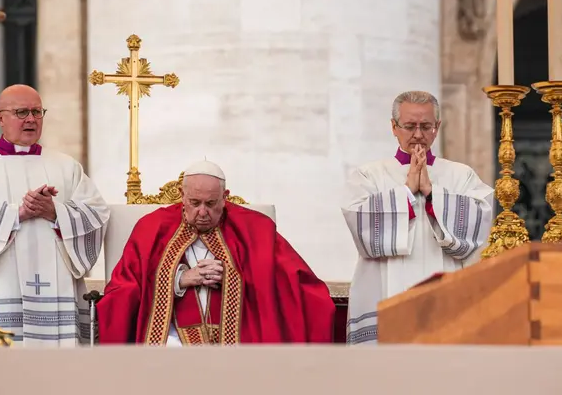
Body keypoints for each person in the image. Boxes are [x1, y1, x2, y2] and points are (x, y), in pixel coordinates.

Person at [97, 160, 335, 345]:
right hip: (171, 339)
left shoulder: (255, 229)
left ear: (225, 197)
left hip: (239, 339)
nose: (202, 212)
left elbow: (288, 282)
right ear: (182, 195)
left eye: (210, 204)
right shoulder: (152, 228)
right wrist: (178, 279)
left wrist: (233, 278)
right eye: (194, 202)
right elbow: (124, 287)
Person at [341, 90, 494, 345]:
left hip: (446, 292)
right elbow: (361, 224)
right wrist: (407, 192)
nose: (418, 135)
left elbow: (478, 224)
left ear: (438, 127)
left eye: (426, 126)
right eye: (410, 126)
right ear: (394, 127)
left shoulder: (460, 174)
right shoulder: (369, 175)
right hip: (384, 290)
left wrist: (433, 194)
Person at [0, 84, 110, 347]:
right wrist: (16, 214)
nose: (31, 119)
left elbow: (97, 213)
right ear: (0, 118)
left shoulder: (65, 166)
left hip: (56, 291)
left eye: (37, 112)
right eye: (21, 112)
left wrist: (56, 212)